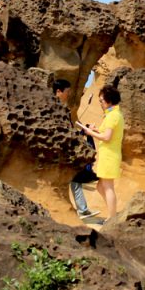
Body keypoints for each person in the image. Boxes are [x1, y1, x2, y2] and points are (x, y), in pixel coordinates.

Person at [54, 78, 100, 220]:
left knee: (76, 179)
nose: (68, 94)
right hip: (57, 152)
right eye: (67, 91)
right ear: (58, 92)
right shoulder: (54, 108)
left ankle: (83, 210)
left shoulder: (62, 108)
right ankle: (78, 210)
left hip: (64, 150)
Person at [77, 85, 124, 221]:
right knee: (100, 186)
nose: (101, 104)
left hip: (109, 156)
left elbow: (106, 137)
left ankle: (112, 217)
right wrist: (96, 130)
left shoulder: (112, 116)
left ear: (109, 101)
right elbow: (107, 134)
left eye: (102, 101)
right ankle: (112, 212)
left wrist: (90, 132)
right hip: (108, 155)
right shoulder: (115, 114)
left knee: (108, 187)